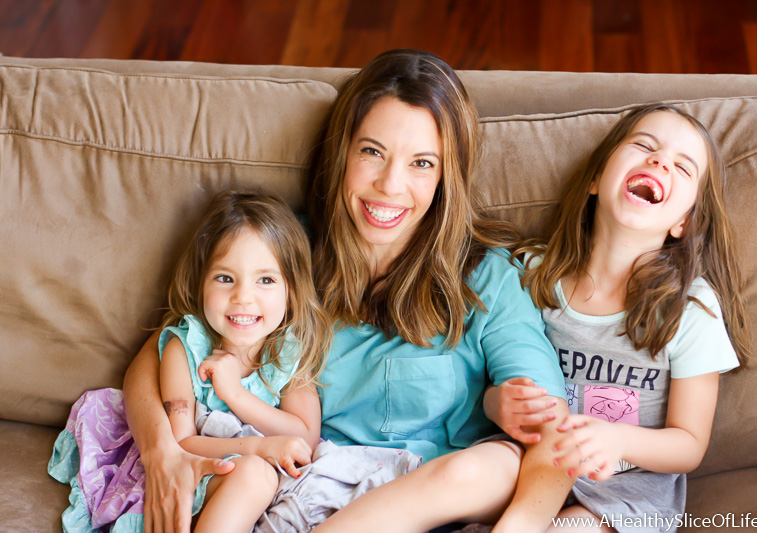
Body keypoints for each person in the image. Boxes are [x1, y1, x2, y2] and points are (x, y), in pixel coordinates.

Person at [122, 49, 573, 533]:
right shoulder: (286, 255)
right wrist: (162, 451)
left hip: (433, 495)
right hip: (310, 487)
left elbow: (554, 436)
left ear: (447, 178)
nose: (389, 186)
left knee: (493, 466)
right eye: (372, 152)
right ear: (343, 153)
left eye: (422, 163)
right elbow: (171, 345)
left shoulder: (489, 277)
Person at [489, 103, 751, 532]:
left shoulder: (690, 309)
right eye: (644, 146)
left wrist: (617, 439)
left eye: (683, 168)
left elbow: (688, 444)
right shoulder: (530, 274)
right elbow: (487, 380)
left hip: (625, 489)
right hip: (528, 462)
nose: (660, 160)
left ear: (683, 221)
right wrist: (496, 405)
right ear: (595, 179)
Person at [49, 191, 331, 533]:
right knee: (255, 474)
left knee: (259, 476)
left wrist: (236, 395)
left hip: (255, 480)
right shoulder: (183, 349)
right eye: (225, 278)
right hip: (194, 470)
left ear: (292, 289)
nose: (243, 296)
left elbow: (304, 436)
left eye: (266, 280)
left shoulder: (290, 352)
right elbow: (182, 443)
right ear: (200, 284)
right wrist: (257, 446)